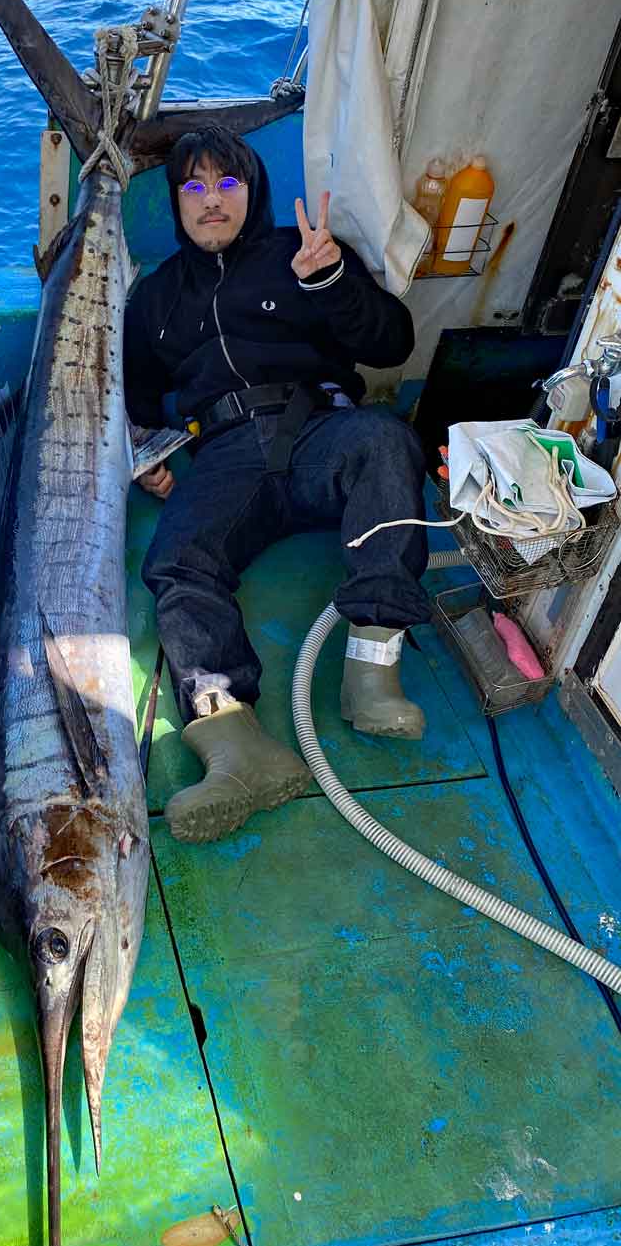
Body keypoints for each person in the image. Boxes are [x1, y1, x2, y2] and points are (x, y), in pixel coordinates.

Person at [124, 124, 430, 844]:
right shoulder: (156, 300)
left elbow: (391, 343)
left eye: (227, 184)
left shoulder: (302, 257)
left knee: (386, 440)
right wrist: (148, 458)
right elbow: (138, 407)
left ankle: (372, 669)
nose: (211, 200)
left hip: (321, 425)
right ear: (175, 202)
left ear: (252, 192)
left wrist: (331, 281)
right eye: (193, 187)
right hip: (226, 453)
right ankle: (235, 745)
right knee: (177, 563)